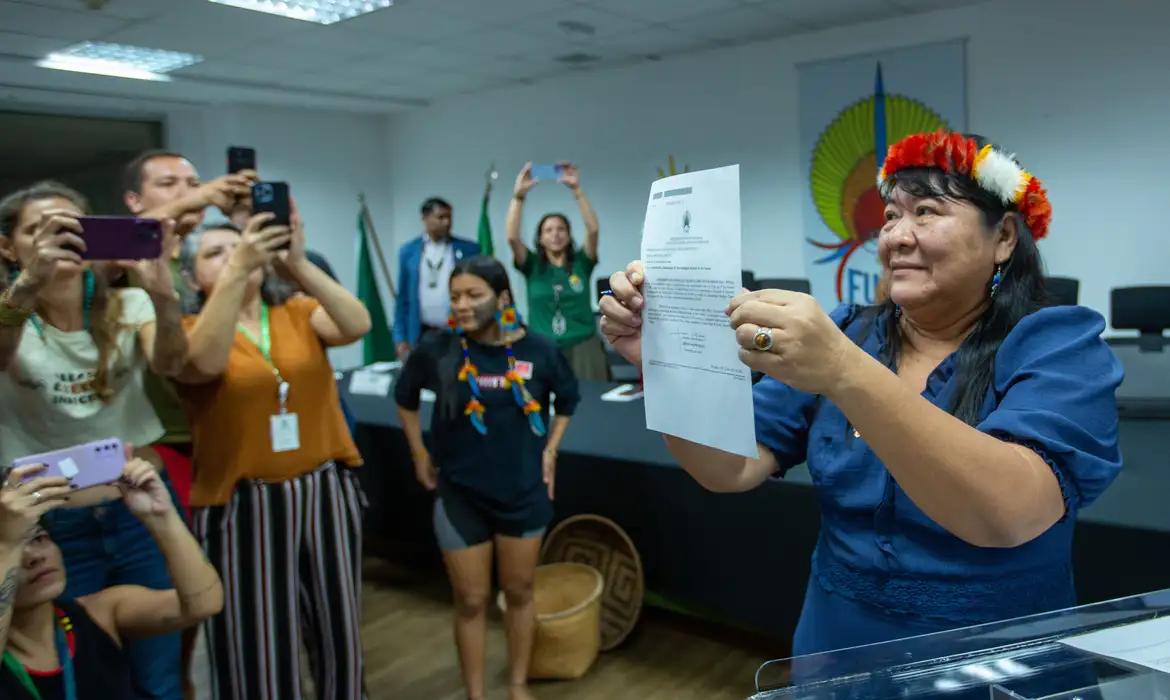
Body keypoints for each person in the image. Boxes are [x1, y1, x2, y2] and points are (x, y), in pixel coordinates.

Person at [599, 130, 1123, 656]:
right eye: (891, 215)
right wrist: (670, 362)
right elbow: (727, 468)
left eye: (927, 212)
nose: (896, 236)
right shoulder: (852, 332)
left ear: (1004, 236)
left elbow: (1009, 513)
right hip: (836, 656)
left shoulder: (1056, 345)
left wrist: (844, 371)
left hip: (995, 666)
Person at [0, 181, 192, 699]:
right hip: (51, 528)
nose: (60, 240)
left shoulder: (128, 305)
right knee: (78, 674)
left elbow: (173, 365)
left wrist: (164, 295)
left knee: (158, 677)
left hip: (139, 511)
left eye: (73, 227)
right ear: (7, 245)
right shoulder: (8, 311)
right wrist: (29, 282)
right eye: (41, 230)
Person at [174, 212, 371, 699]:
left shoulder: (299, 312)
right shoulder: (184, 329)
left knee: (338, 631)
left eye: (238, 246)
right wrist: (237, 272)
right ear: (189, 276)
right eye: (214, 253)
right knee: (256, 642)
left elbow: (356, 324)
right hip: (245, 504)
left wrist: (298, 263)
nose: (233, 256)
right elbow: (204, 364)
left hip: (324, 489)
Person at [395, 255, 579, 700]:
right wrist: (419, 450)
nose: (460, 305)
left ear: (502, 298)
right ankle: (475, 695)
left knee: (518, 592)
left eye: (473, 295)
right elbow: (404, 397)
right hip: (459, 495)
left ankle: (517, 685)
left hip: (522, 493)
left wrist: (551, 449)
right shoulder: (437, 347)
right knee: (472, 599)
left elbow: (568, 400)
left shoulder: (538, 350)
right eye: (454, 296)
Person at [0, 456, 224, 700]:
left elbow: (204, 604)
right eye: (13, 550)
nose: (34, 558)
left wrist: (160, 516)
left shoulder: (100, 612)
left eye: (39, 538)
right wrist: (8, 543)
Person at [506, 163, 607, 381]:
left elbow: (593, 229)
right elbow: (512, 238)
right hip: (542, 347)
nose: (556, 234)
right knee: (540, 405)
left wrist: (577, 190)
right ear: (540, 239)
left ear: (569, 235)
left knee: (589, 402)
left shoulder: (582, 262)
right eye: (549, 230)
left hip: (583, 347)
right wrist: (518, 196)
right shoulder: (531, 265)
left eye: (561, 229)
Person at [393, 197, 480, 360]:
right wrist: (400, 338)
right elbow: (402, 298)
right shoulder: (408, 252)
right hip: (421, 333)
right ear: (425, 219)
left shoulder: (469, 250)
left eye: (449, 217)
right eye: (441, 217)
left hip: (456, 331)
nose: (447, 222)